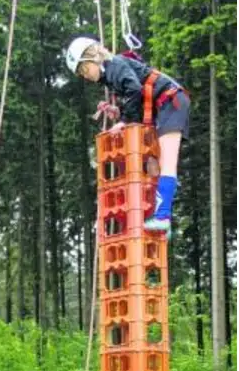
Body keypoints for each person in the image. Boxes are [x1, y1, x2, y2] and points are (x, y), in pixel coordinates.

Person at [64, 36, 191, 235]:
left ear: (94, 57)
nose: (85, 76)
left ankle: (163, 217)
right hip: (163, 106)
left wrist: (124, 120)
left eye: (85, 69)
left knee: (167, 162)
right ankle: (161, 217)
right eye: (81, 74)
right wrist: (119, 112)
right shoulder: (112, 74)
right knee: (153, 165)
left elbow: (135, 90)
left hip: (170, 102)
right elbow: (136, 96)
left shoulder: (115, 65)